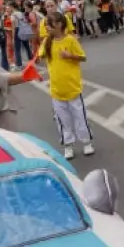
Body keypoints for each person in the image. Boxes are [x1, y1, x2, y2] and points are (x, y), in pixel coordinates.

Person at [38, 12, 93, 160]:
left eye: (49, 24)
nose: (47, 27)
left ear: (60, 25)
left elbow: (83, 57)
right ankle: (68, 146)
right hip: (56, 89)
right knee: (63, 120)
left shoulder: (70, 40)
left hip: (73, 88)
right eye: (46, 25)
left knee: (80, 117)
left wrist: (70, 56)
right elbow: (40, 56)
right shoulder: (47, 42)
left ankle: (86, 142)